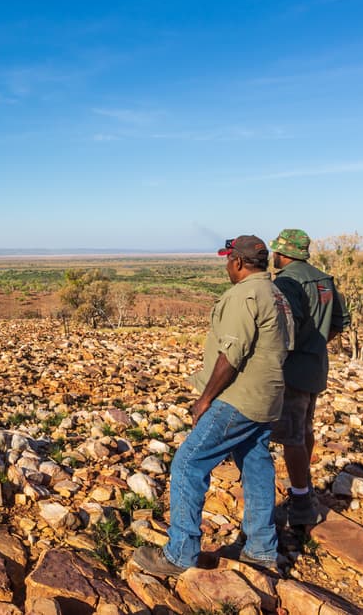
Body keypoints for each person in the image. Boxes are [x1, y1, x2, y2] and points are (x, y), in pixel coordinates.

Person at [132, 235, 292, 577]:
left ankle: (179, 554)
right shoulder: (277, 295)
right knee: (256, 465)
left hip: (240, 397)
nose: (225, 266)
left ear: (238, 262)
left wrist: (204, 399)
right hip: (269, 396)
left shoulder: (244, 294)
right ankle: (261, 551)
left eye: (228, 260)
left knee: (189, 463)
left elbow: (232, 353)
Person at [269, 228, 350, 526]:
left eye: (276, 250)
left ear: (284, 252)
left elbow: (283, 327)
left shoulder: (288, 282)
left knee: (291, 434)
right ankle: (303, 484)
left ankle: (301, 500)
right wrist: (316, 344)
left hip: (292, 369)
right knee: (304, 428)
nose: (273, 256)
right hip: (315, 366)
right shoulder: (324, 279)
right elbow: (340, 322)